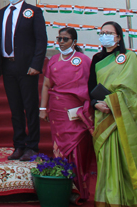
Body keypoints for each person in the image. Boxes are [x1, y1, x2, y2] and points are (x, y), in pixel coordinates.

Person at [89, 21, 137, 207]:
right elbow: (91, 88)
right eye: (102, 32)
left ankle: (130, 201)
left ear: (118, 37)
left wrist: (113, 103)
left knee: (127, 162)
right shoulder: (96, 59)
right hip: (103, 117)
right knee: (106, 162)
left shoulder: (129, 58)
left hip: (123, 118)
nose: (105, 36)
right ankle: (108, 200)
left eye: (109, 33)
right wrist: (96, 104)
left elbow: (134, 91)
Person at [39, 27, 95, 204]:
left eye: (65, 39)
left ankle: (79, 189)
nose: (61, 42)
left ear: (74, 42)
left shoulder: (84, 60)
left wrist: (86, 109)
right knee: (60, 148)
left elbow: (91, 86)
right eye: (59, 39)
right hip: (57, 111)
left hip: (77, 112)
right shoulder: (53, 60)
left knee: (77, 149)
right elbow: (47, 85)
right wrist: (42, 108)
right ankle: (63, 188)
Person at [0, 0, 47, 161]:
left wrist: (36, 65)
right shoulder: (1, 13)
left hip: (27, 67)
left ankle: (32, 146)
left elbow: (41, 40)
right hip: (8, 65)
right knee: (15, 108)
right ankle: (19, 145)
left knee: (30, 107)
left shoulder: (33, 12)